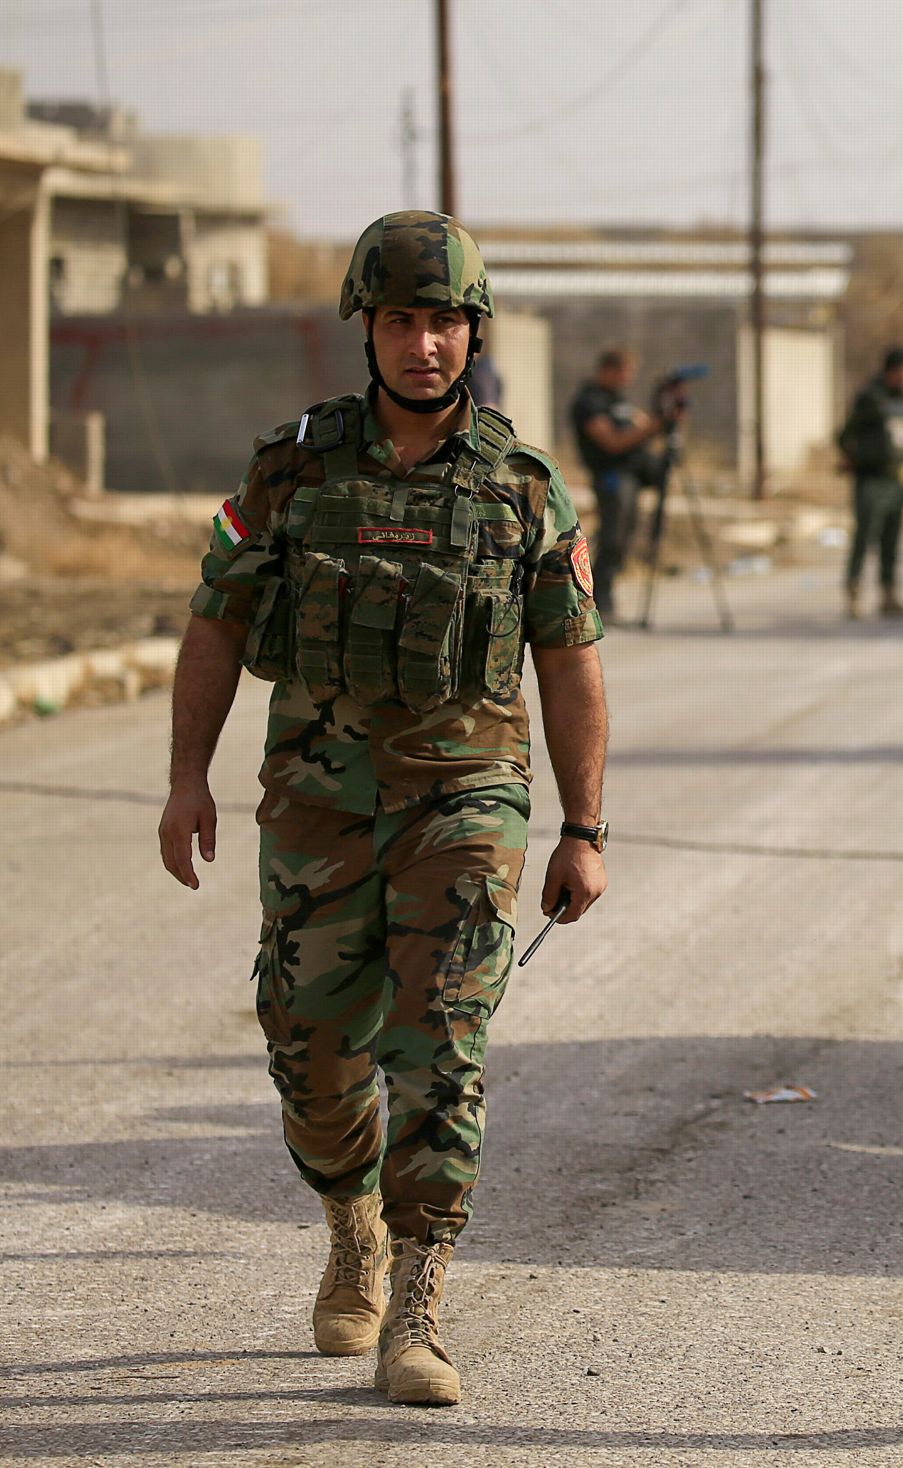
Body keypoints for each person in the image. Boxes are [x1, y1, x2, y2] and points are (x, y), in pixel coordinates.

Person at [155, 211, 610, 1408]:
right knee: (308, 1048)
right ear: (369, 328)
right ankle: (350, 1218)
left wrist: (584, 827)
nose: (424, 344)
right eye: (402, 319)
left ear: (474, 332)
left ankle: (418, 1299)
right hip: (316, 803)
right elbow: (215, 621)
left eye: (445, 321)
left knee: (441, 1043)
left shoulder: (521, 487)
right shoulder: (293, 469)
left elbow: (569, 661)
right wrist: (187, 776)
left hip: (466, 801)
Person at [570, 345, 671, 615]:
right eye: (625, 371)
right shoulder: (590, 402)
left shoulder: (618, 401)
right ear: (608, 370)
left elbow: (641, 428)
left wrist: (664, 421)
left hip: (631, 478)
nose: (629, 378)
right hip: (610, 477)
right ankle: (595, 599)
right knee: (612, 538)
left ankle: (606, 596)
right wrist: (653, 426)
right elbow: (612, 442)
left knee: (624, 538)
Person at [837, 345, 903, 619]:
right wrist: (854, 458)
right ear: (893, 371)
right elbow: (845, 434)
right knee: (865, 536)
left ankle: (889, 595)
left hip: (895, 479)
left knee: (891, 539)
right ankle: (853, 593)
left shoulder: (902, 401)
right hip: (871, 479)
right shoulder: (871, 398)